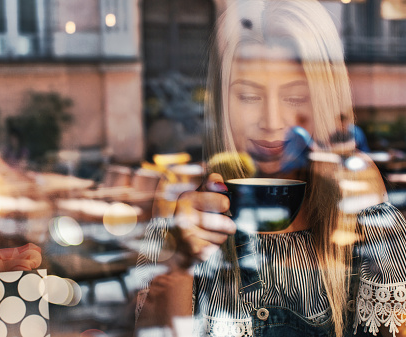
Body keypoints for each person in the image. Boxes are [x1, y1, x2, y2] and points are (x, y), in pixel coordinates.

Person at [134, 1, 406, 337]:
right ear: (222, 101)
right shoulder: (179, 213)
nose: (272, 122)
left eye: (294, 98)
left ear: (323, 100)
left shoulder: (357, 206)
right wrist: (180, 260)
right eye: (248, 96)